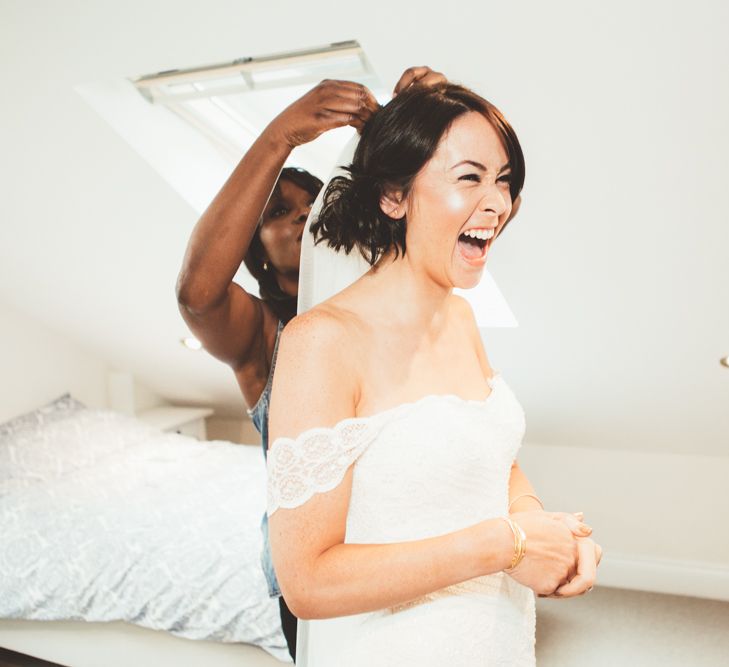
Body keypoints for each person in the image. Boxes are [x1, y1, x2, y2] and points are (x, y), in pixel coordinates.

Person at [265, 82, 602, 666]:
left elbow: (494, 455)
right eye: (470, 178)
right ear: (394, 196)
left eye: (504, 179)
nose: (498, 203)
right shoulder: (320, 343)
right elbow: (308, 583)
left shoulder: (461, 315)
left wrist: (542, 532)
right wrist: (506, 544)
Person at [176, 66, 451, 661]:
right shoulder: (264, 335)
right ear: (254, 249)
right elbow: (196, 295)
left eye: (309, 204)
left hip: (413, 544)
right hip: (319, 573)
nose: (301, 215)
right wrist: (281, 136)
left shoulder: (385, 296)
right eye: (279, 211)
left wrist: (424, 116)